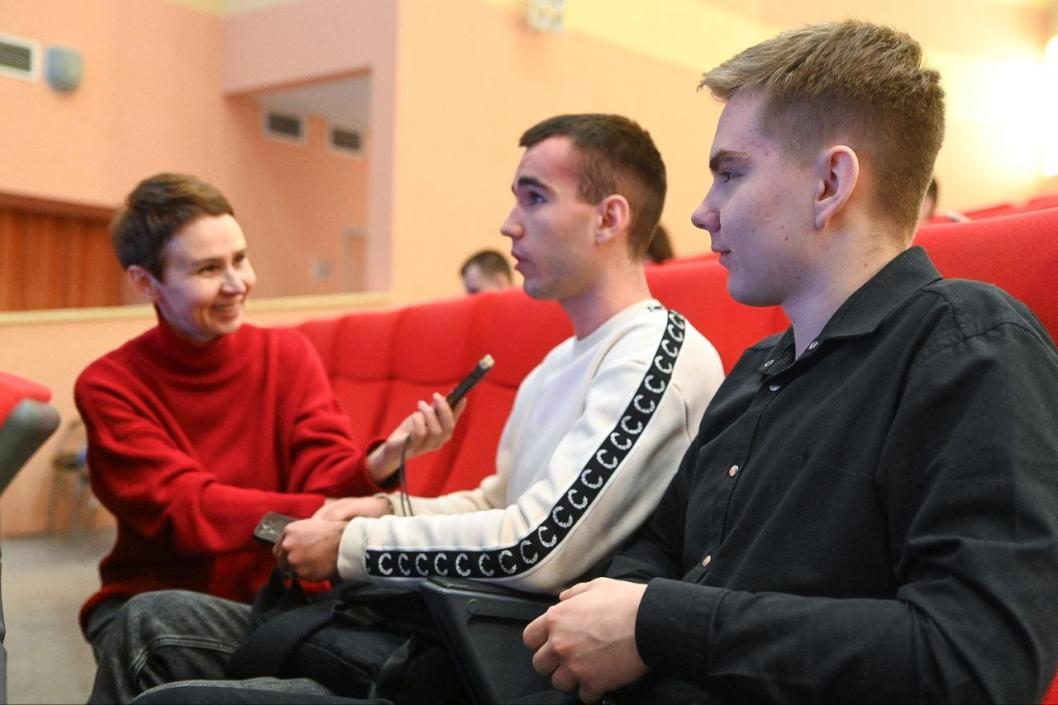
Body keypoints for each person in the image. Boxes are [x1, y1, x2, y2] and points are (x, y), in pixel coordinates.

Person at [89, 114, 725, 704]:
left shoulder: (653, 353)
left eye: (534, 198)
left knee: (160, 651)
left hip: (507, 657)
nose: (508, 224)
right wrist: (386, 508)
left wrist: (351, 542)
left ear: (609, 218)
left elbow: (533, 546)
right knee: (151, 619)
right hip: (446, 622)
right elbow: (496, 500)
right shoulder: (558, 362)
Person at [523, 21, 1058, 704]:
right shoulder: (754, 370)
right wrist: (622, 616)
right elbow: (655, 546)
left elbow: (977, 660)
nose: (701, 212)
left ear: (830, 183)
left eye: (729, 173)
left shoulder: (969, 344)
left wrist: (659, 623)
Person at [76, 174, 461, 661]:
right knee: (148, 628)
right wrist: (326, 512)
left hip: (281, 596)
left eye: (240, 259)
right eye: (209, 269)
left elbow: (323, 469)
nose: (237, 284)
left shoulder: (287, 354)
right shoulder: (108, 384)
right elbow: (187, 509)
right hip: (156, 594)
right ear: (145, 282)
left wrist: (380, 461)